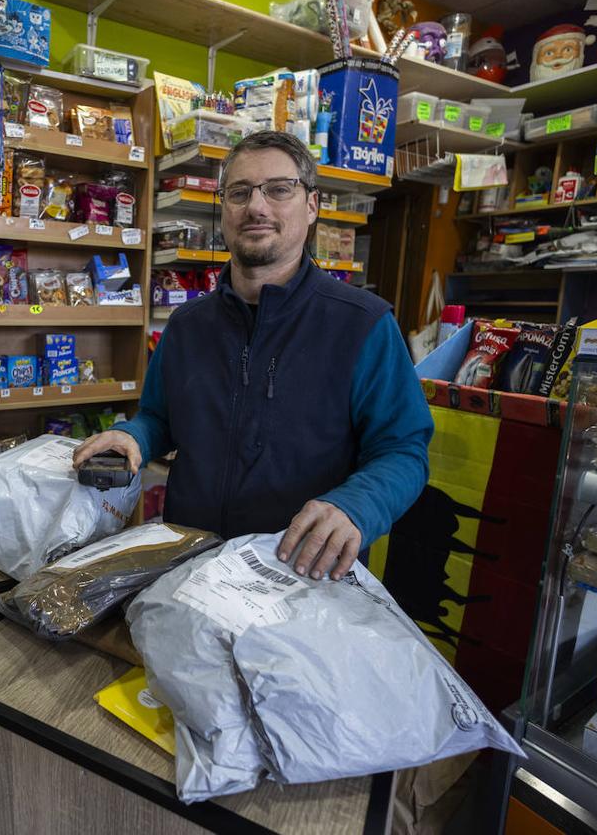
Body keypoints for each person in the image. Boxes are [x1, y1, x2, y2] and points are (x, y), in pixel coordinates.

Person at [73, 130, 433, 582]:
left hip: (300, 575)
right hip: (190, 566)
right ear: (223, 208)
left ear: (313, 205)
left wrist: (357, 506)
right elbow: (160, 418)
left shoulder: (364, 325)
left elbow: (403, 450)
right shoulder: (187, 326)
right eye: (239, 193)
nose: (256, 207)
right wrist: (135, 438)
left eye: (279, 190)